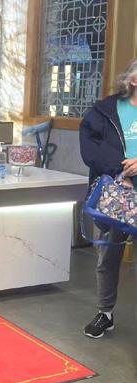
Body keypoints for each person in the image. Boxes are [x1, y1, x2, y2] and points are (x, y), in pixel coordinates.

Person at [79, 58, 137, 338]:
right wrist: (120, 171)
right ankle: (105, 313)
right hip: (116, 193)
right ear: (133, 80)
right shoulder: (104, 111)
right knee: (108, 256)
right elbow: (90, 148)